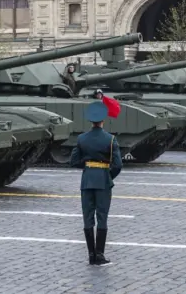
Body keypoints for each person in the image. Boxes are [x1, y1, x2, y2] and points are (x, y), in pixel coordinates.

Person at [70, 101, 122, 266]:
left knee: (88, 217)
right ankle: (99, 254)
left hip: (87, 180)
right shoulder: (111, 139)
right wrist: (108, 176)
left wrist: (88, 167)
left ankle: (91, 254)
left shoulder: (81, 138)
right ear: (103, 120)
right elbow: (118, 165)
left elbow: (74, 161)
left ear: (91, 121)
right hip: (103, 180)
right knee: (102, 217)